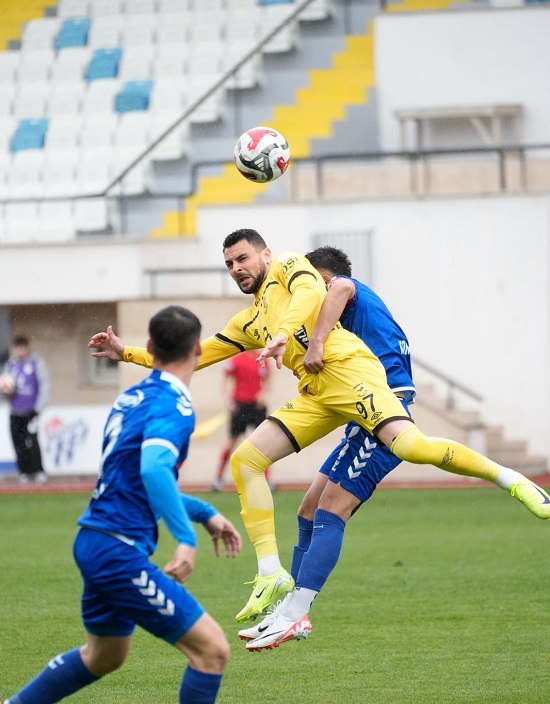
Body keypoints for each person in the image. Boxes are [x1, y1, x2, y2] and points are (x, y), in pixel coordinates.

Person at [88, 229, 550, 648]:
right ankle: (272, 574)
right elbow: (197, 354)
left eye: (243, 258)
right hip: (317, 394)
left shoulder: (291, 267)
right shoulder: (250, 321)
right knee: (246, 460)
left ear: (265, 253)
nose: (237, 269)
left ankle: (509, 478)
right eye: (229, 264)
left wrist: (297, 338)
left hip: (352, 374)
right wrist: (123, 353)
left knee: (409, 447)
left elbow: (313, 290)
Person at [0, 305, 249, 704]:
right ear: (198, 350)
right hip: (117, 550)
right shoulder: (176, 407)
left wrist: (204, 513)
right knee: (212, 650)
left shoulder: (130, 396)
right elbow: (156, 469)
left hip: (94, 538)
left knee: (104, 655)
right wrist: (186, 536)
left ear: (150, 350)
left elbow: (136, 477)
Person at [238, 244, 416, 646]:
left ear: (326, 277)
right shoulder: (351, 309)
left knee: (332, 507)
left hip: (388, 407)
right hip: (363, 411)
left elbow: (335, 293)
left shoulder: (341, 289)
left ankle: (296, 613)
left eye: (312, 284)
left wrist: (315, 344)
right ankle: (286, 612)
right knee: (307, 509)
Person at [212, 350, 272, 492]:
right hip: (240, 405)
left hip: (257, 406)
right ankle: (218, 478)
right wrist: (228, 400)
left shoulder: (262, 359)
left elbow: (267, 379)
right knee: (231, 441)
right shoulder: (236, 360)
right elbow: (226, 378)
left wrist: (262, 395)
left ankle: (267, 480)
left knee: (264, 443)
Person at [1, 333, 50, 484]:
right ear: (14, 349)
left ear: (27, 348)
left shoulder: (36, 363)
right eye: (17, 347)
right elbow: (5, 389)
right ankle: (24, 472)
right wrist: (6, 392)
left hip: (31, 411)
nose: (20, 351)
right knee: (18, 443)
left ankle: (39, 470)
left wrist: (38, 408)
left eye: (23, 347)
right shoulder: (10, 365)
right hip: (15, 411)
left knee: (32, 441)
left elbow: (45, 386)